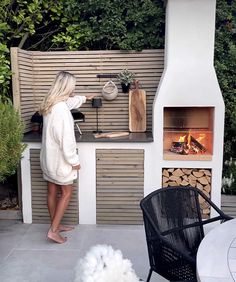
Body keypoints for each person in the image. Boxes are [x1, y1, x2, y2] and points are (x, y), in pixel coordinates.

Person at [39, 71, 94, 244]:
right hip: (61, 161)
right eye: (73, 86)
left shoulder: (51, 104)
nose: (74, 89)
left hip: (48, 159)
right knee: (66, 192)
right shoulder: (61, 110)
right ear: (67, 87)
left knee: (52, 191)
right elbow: (67, 141)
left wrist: (85, 97)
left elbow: (70, 102)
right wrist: (74, 162)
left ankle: (56, 223)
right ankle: (53, 231)